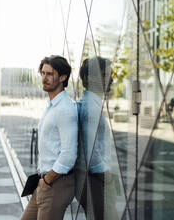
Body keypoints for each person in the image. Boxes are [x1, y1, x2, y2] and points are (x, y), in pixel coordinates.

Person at [21, 55, 78, 220]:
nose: (44, 78)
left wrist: (46, 181)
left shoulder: (65, 109)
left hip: (55, 184)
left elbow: (68, 155)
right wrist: (42, 182)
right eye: (43, 73)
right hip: (43, 182)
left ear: (62, 77)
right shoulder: (53, 106)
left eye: (50, 74)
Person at [75, 56, 119, 220]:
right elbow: (91, 154)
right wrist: (107, 177)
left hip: (92, 178)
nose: (112, 80)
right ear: (92, 77)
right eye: (107, 74)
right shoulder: (91, 108)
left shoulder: (89, 103)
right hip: (94, 180)